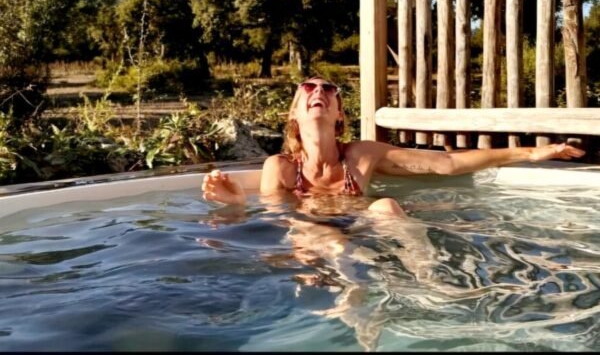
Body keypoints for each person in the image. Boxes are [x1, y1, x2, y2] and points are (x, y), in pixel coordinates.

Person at [202, 76, 585, 213]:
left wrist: (529, 152)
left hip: (364, 232)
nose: (318, 91)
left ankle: (427, 281)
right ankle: (355, 309)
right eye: (308, 88)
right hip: (310, 241)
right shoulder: (280, 168)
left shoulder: (363, 155)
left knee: (386, 205)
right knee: (314, 233)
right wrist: (236, 207)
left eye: (328, 89)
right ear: (295, 114)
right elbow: (278, 222)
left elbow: (444, 165)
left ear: (339, 115)